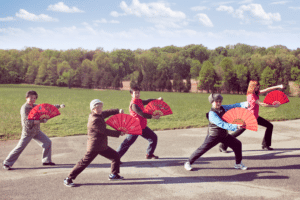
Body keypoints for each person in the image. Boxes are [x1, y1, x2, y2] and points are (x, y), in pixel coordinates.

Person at [64, 99, 126, 187]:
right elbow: (104, 131)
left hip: (101, 145)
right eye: (97, 107)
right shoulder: (94, 120)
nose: (100, 109)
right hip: (94, 146)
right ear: (93, 109)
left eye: (101, 107)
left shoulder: (98, 114)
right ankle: (68, 179)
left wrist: (117, 111)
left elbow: (107, 112)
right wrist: (119, 133)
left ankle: (114, 175)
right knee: (84, 163)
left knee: (115, 156)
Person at [184, 93, 248, 171]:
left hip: (224, 135)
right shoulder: (212, 114)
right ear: (212, 102)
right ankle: (188, 162)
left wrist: (245, 104)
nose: (218, 103)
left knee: (237, 144)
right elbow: (222, 124)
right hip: (213, 136)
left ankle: (238, 164)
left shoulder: (223, 108)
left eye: (220, 101)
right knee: (202, 149)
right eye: (216, 101)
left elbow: (233, 106)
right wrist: (236, 126)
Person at [2, 90, 65, 170]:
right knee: (20, 147)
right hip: (28, 132)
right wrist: (41, 121)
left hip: (36, 131)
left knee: (47, 142)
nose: (32, 99)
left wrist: (58, 106)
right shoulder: (25, 108)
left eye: (34, 98)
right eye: (31, 97)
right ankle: (7, 162)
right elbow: (27, 122)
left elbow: (46, 108)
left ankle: (46, 160)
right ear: (26, 98)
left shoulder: (35, 106)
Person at [219, 81, 283, 152]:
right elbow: (262, 104)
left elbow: (267, 89)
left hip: (255, 117)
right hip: (249, 118)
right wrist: (273, 105)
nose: (258, 87)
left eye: (258, 85)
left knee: (269, 126)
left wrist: (278, 86)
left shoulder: (256, 93)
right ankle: (223, 144)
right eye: (256, 86)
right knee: (238, 132)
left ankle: (265, 145)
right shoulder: (251, 96)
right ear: (252, 87)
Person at [116, 86, 161, 160]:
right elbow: (142, 114)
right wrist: (153, 117)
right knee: (126, 143)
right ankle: (116, 158)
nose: (137, 94)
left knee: (153, 137)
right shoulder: (133, 104)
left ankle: (149, 154)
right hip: (135, 127)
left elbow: (148, 101)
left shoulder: (139, 101)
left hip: (142, 127)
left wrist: (157, 100)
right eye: (135, 93)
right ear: (131, 94)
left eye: (138, 92)